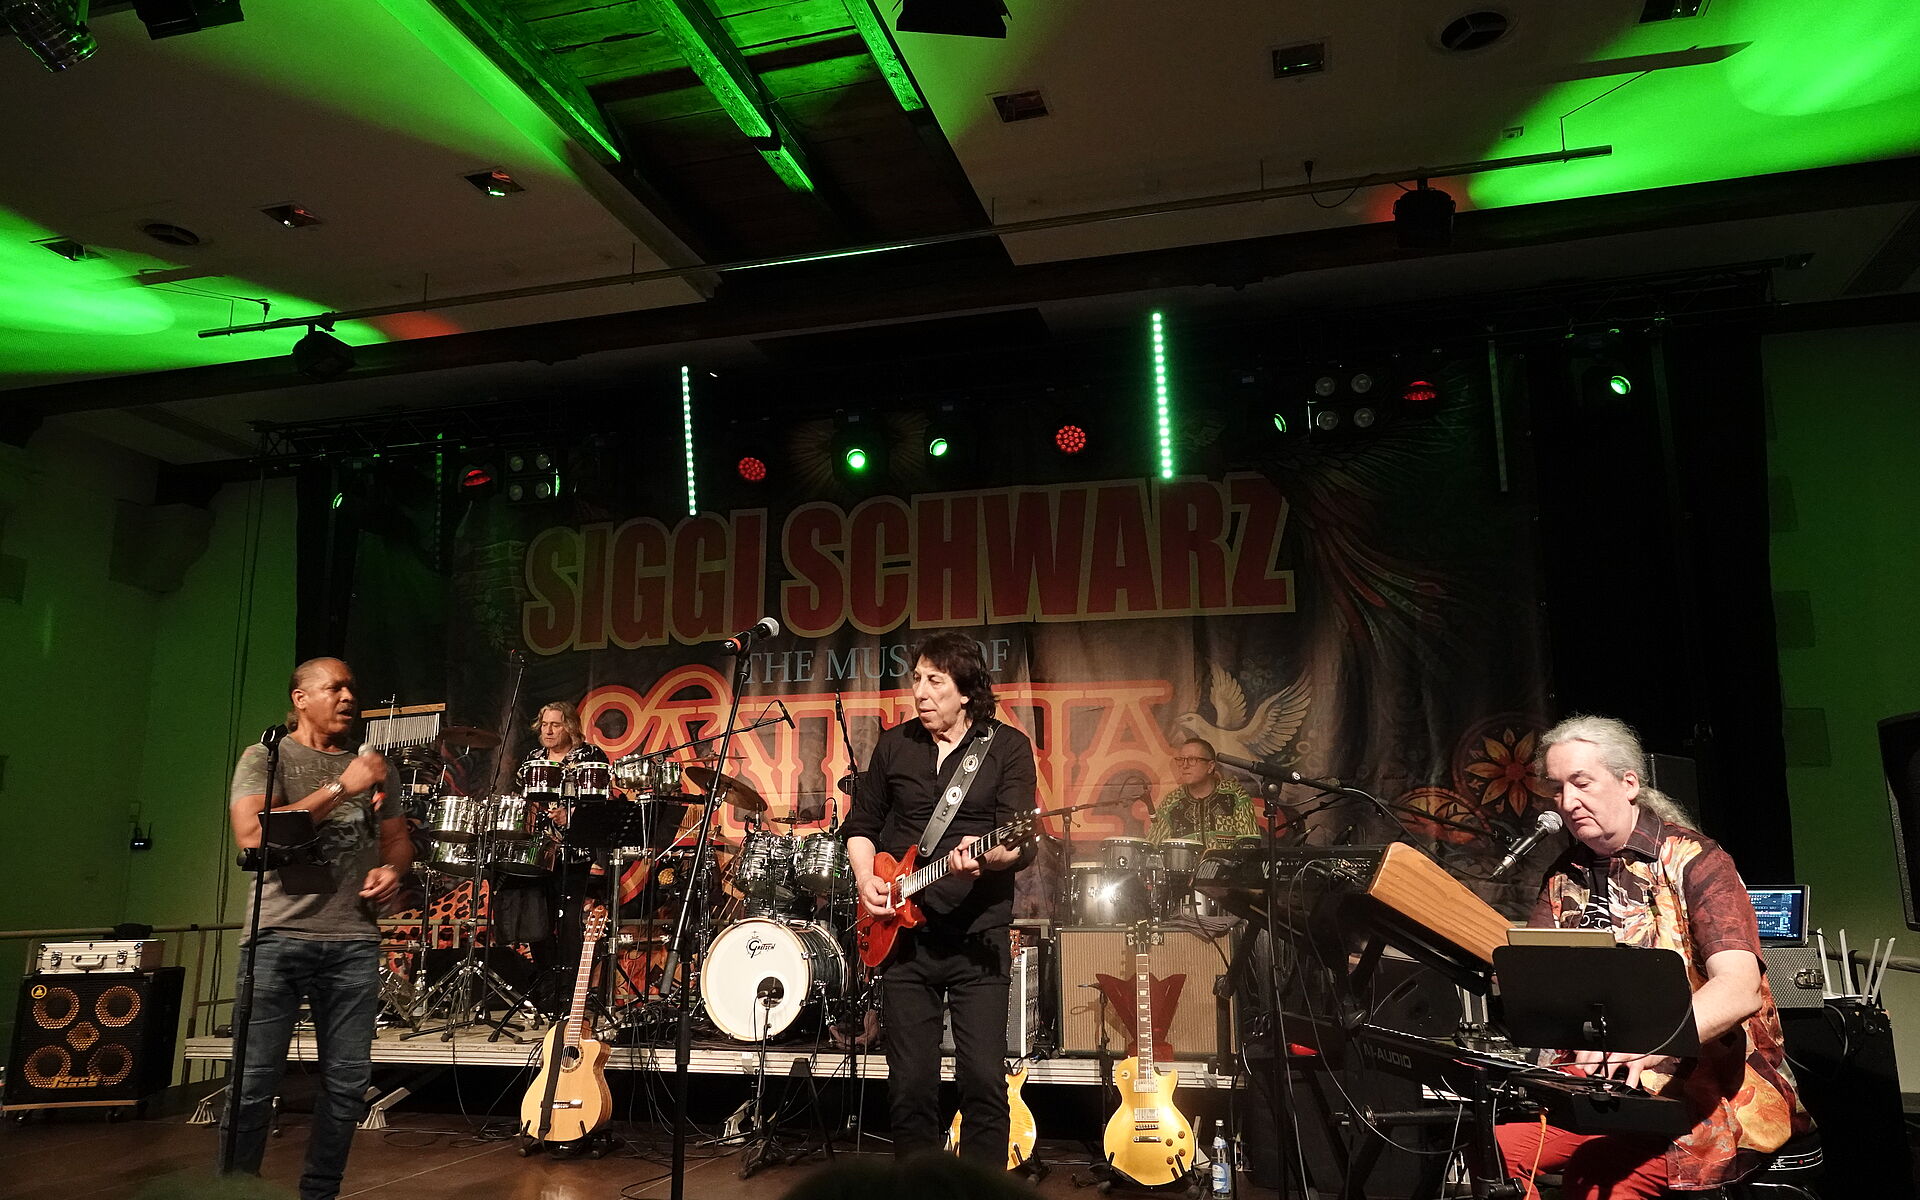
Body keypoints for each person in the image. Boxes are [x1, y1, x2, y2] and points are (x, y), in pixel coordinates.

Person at [1495, 715, 1809, 1199]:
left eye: (1581, 783)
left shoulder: (1698, 861)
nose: (1568, 802)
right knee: (1493, 1148)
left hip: (1704, 1097)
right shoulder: (1562, 875)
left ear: (1629, 784)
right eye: (1557, 789)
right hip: (1606, 1092)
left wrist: (1649, 1042)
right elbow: (1543, 986)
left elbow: (1738, 988)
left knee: (1598, 1172)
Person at [844, 632, 1038, 1166]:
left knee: (983, 1081)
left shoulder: (1007, 747)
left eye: (935, 681)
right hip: (904, 941)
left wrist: (988, 857)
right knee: (909, 1086)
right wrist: (865, 880)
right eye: (917, 679)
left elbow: (1018, 843)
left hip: (978, 940)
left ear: (967, 691)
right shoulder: (894, 745)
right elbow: (861, 825)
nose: (921, 692)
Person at [221, 657, 409, 1200]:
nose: (347, 696)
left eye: (352, 688)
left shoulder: (375, 767)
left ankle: (320, 1193)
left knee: (348, 1085)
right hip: (278, 937)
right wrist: (342, 787)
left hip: (353, 941)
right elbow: (254, 837)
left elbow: (397, 839)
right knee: (254, 1084)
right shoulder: (267, 757)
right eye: (334, 688)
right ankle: (235, 1191)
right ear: (300, 698)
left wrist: (393, 869)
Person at [1146, 737, 1259, 844]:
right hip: (1182, 860)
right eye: (1181, 760)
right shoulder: (1171, 801)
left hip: (1230, 859)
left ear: (1210, 766)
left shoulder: (1235, 794)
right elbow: (1153, 848)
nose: (1184, 765)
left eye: (1192, 760)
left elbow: (1249, 844)